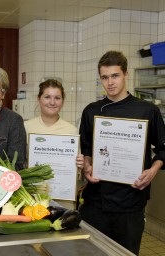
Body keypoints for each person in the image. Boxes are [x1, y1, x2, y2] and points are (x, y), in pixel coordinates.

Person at [79, 50, 165, 255]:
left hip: (130, 204)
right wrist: (88, 167)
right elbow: (88, 150)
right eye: (105, 77)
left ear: (126, 75)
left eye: (115, 75)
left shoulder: (146, 110)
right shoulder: (91, 111)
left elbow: (163, 149)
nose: (110, 82)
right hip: (96, 203)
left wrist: (153, 171)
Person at [24, 79, 84, 209]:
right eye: (47, 97)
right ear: (38, 99)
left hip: (63, 201)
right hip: (33, 200)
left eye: (57, 98)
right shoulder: (26, 127)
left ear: (62, 101)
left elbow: (77, 174)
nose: (52, 102)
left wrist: (79, 164)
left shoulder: (71, 130)